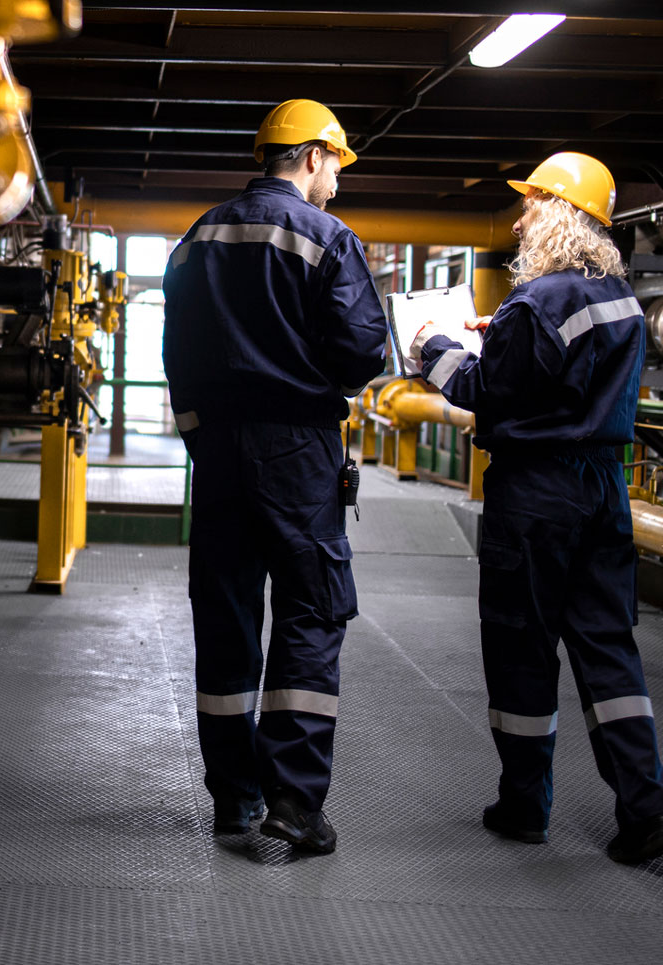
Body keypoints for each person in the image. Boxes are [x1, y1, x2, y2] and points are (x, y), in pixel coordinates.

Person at [409, 151, 663, 866]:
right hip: (603, 489)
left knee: (521, 645)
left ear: (562, 215)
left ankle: (525, 804)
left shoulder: (540, 301)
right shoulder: (620, 299)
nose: (522, 217)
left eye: (532, 204)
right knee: (608, 649)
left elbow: (483, 392)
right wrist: (499, 333)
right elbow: (559, 370)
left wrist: (430, 347)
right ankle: (648, 809)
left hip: (535, 496)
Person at [162, 98, 389, 855]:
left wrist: (200, 435)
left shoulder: (199, 237)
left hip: (219, 451)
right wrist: (305, 380)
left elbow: (178, 356)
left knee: (225, 615)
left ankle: (234, 797)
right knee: (311, 612)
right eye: (336, 167)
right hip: (298, 450)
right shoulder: (328, 239)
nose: (337, 183)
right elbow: (363, 352)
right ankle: (295, 801)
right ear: (315, 157)